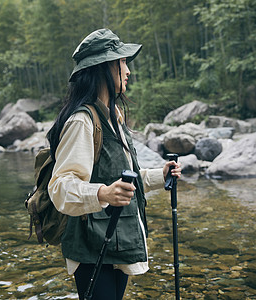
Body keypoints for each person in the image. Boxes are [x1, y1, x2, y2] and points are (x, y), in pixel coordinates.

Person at [47, 28, 181, 300]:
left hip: (115, 243)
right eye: (121, 62)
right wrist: (102, 193)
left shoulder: (112, 117)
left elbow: (122, 180)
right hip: (93, 246)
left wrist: (160, 175)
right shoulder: (83, 121)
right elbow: (60, 187)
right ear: (103, 68)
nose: (128, 70)